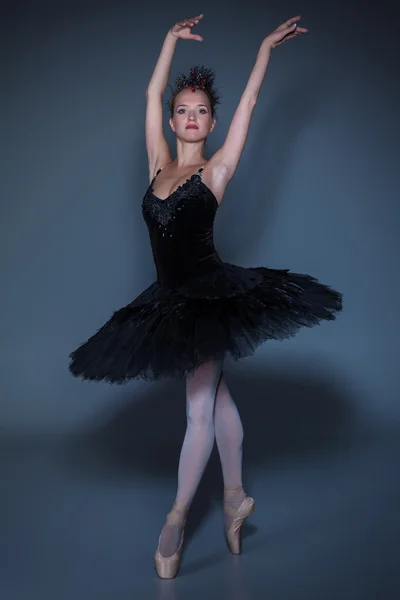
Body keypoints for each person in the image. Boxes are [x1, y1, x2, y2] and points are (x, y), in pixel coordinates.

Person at [69, 14, 342, 578]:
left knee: (198, 408)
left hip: (211, 296)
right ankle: (236, 496)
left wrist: (265, 49)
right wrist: (167, 40)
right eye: (183, 110)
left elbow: (250, 105)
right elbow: (148, 91)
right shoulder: (157, 166)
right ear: (172, 120)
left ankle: (174, 520)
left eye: (201, 112)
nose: (191, 117)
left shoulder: (216, 171)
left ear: (211, 124)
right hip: (166, 302)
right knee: (215, 402)